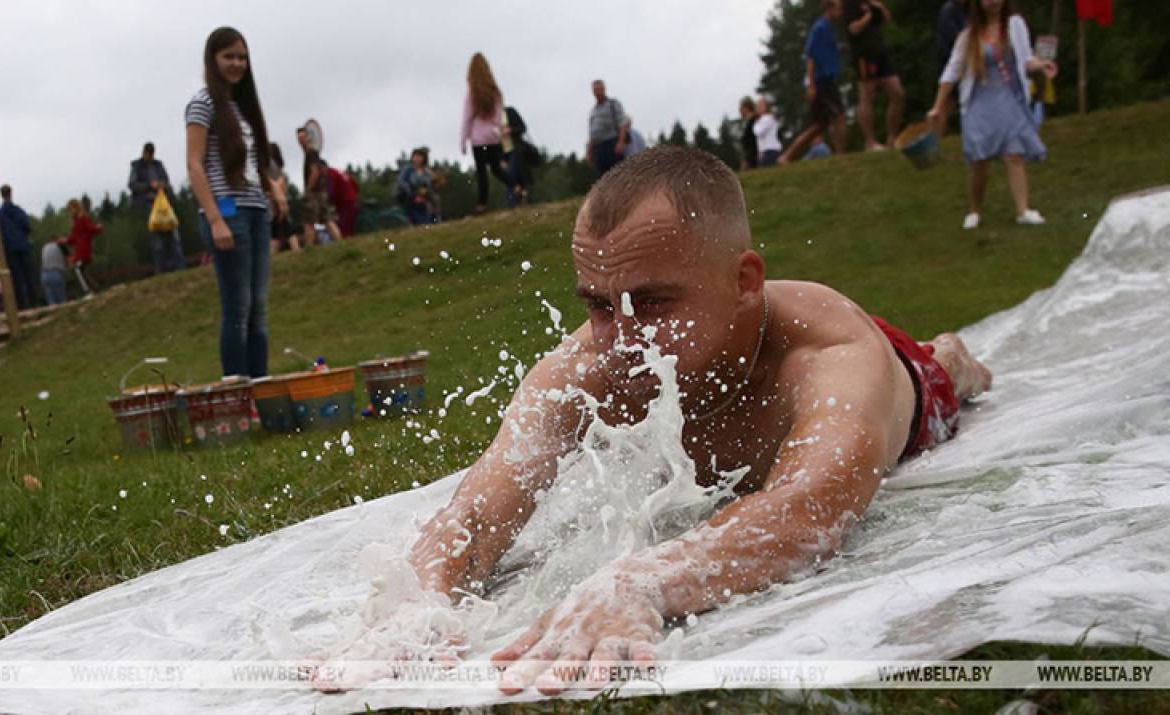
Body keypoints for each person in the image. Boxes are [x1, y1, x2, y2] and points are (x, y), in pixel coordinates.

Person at [315, 146, 994, 694]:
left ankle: (948, 357)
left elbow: (811, 505)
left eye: (655, 303)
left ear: (746, 280)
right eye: (600, 304)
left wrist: (642, 578)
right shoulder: (585, 365)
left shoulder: (828, 355)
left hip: (903, 382)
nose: (620, 339)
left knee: (941, 373)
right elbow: (480, 511)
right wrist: (422, 601)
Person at [186, 26, 288, 379]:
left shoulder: (244, 107)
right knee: (238, 306)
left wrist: (273, 189)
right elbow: (194, 163)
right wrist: (215, 219)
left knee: (258, 306)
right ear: (213, 59)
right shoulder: (203, 104)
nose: (236, 64)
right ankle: (237, 389)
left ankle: (261, 386)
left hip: (256, 209)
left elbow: (254, 161)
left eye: (242, 57)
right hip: (227, 210)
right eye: (229, 56)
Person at [928, 0, 1057, 230]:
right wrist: (938, 106)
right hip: (980, 100)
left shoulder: (1015, 26)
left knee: (1014, 154)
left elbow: (1026, 59)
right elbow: (953, 70)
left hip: (1008, 98)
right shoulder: (968, 36)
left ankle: (1023, 210)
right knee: (980, 159)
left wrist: (1041, 66)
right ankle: (975, 210)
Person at [779, 0, 848, 164]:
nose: (841, 13)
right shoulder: (820, 28)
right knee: (839, 116)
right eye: (838, 9)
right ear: (829, 8)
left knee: (819, 125)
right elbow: (810, 57)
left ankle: (786, 156)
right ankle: (841, 155)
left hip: (825, 80)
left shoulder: (828, 28)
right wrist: (811, 85)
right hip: (821, 81)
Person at [845, 0, 905, 150]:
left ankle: (892, 138)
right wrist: (868, 15)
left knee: (898, 93)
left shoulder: (870, 3)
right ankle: (870, 142)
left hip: (880, 53)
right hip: (864, 56)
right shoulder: (849, 4)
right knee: (867, 97)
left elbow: (886, 19)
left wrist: (880, 7)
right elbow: (853, 29)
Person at [461, 53, 516, 213]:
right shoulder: (495, 91)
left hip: (478, 139)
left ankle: (482, 204)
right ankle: (517, 185)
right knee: (497, 169)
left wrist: (463, 141)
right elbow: (499, 115)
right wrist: (495, 129)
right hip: (493, 137)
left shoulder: (472, 92)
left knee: (481, 172)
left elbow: (467, 118)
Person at [129, 142, 184, 274]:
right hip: (149, 205)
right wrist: (149, 185)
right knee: (157, 239)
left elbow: (166, 180)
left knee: (173, 234)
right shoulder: (137, 166)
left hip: (164, 203)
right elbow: (132, 184)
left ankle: (180, 267)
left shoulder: (158, 164)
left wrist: (162, 185)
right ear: (144, 152)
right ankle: (161, 269)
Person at [0, 185, 37, 309]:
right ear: (10, 193)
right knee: (28, 275)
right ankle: (33, 301)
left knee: (16, 277)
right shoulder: (18, 210)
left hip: (9, 249)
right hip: (22, 246)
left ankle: (21, 304)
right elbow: (27, 226)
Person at [935, 0, 969, 136]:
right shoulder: (948, 11)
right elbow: (957, 39)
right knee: (947, 101)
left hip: (964, 59)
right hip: (951, 60)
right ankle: (938, 134)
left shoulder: (968, 10)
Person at [586, 79, 631, 180]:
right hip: (598, 147)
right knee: (602, 177)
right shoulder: (593, 111)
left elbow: (622, 123)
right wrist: (589, 151)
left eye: (599, 89)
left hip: (612, 143)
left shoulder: (613, 104)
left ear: (604, 89)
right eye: (595, 90)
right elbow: (591, 133)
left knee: (617, 175)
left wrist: (620, 142)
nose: (597, 92)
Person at [267, 143, 303, 253]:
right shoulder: (281, 170)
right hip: (281, 203)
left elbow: (276, 186)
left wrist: (275, 200)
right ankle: (274, 255)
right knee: (278, 232)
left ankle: (296, 250)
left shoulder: (271, 168)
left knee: (286, 230)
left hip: (276, 204)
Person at [66, 199, 103, 294]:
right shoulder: (75, 222)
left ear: (76, 208)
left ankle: (88, 291)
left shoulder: (83, 218)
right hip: (79, 250)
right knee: (81, 270)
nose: (70, 212)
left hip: (84, 249)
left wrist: (98, 228)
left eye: (71, 209)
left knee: (78, 269)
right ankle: (95, 288)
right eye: (69, 210)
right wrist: (66, 240)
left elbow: (91, 228)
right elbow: (74, 237)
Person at [396, 147, 439, 226]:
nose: (417, 159)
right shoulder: (408, 169)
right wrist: (412, 193)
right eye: (415, 156)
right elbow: (401, 181)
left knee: (432, 202)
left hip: (423, 195)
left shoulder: (426, 171)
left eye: (419, 157)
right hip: (409, 195)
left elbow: (429, 184)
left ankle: (432, 222)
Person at [40, 235, 71, 306]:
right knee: (62, 301)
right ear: (57, 239)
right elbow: (69, 260)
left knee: (51, 302)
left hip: (44, 275)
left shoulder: (45, 247)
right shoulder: (60, 246)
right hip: (56, 274)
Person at [753, 98, 783, 167]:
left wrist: (755, 124)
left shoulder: (767, 118)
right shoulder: (768, 118)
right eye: (757, 106)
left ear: (767, 107)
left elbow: (758, 132)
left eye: (760, 106)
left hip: (770, 150)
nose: (758, 108)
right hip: (769, 150)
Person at [738, 97, 759, 170]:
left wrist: (747, 159)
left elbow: (753, 142)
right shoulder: (748, 122)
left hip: (754, 158)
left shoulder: (754, 121)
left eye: (740, 107)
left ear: (746, 107)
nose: (739, 110)